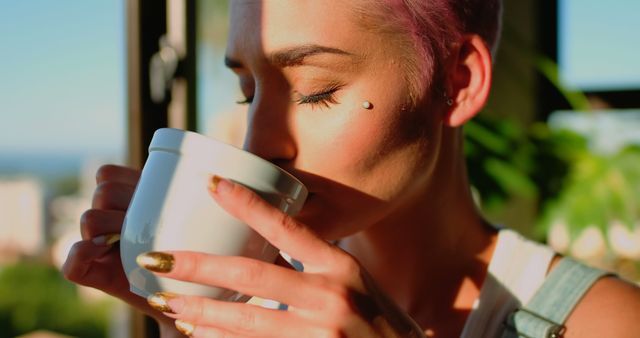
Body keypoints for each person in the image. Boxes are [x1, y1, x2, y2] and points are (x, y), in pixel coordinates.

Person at [63, 1, 640, 337]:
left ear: (456, 82)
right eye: (248, 91)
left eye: (315, 92)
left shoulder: (606, 324)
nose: (259, 142)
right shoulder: (252, 312)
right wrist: (178, 316)